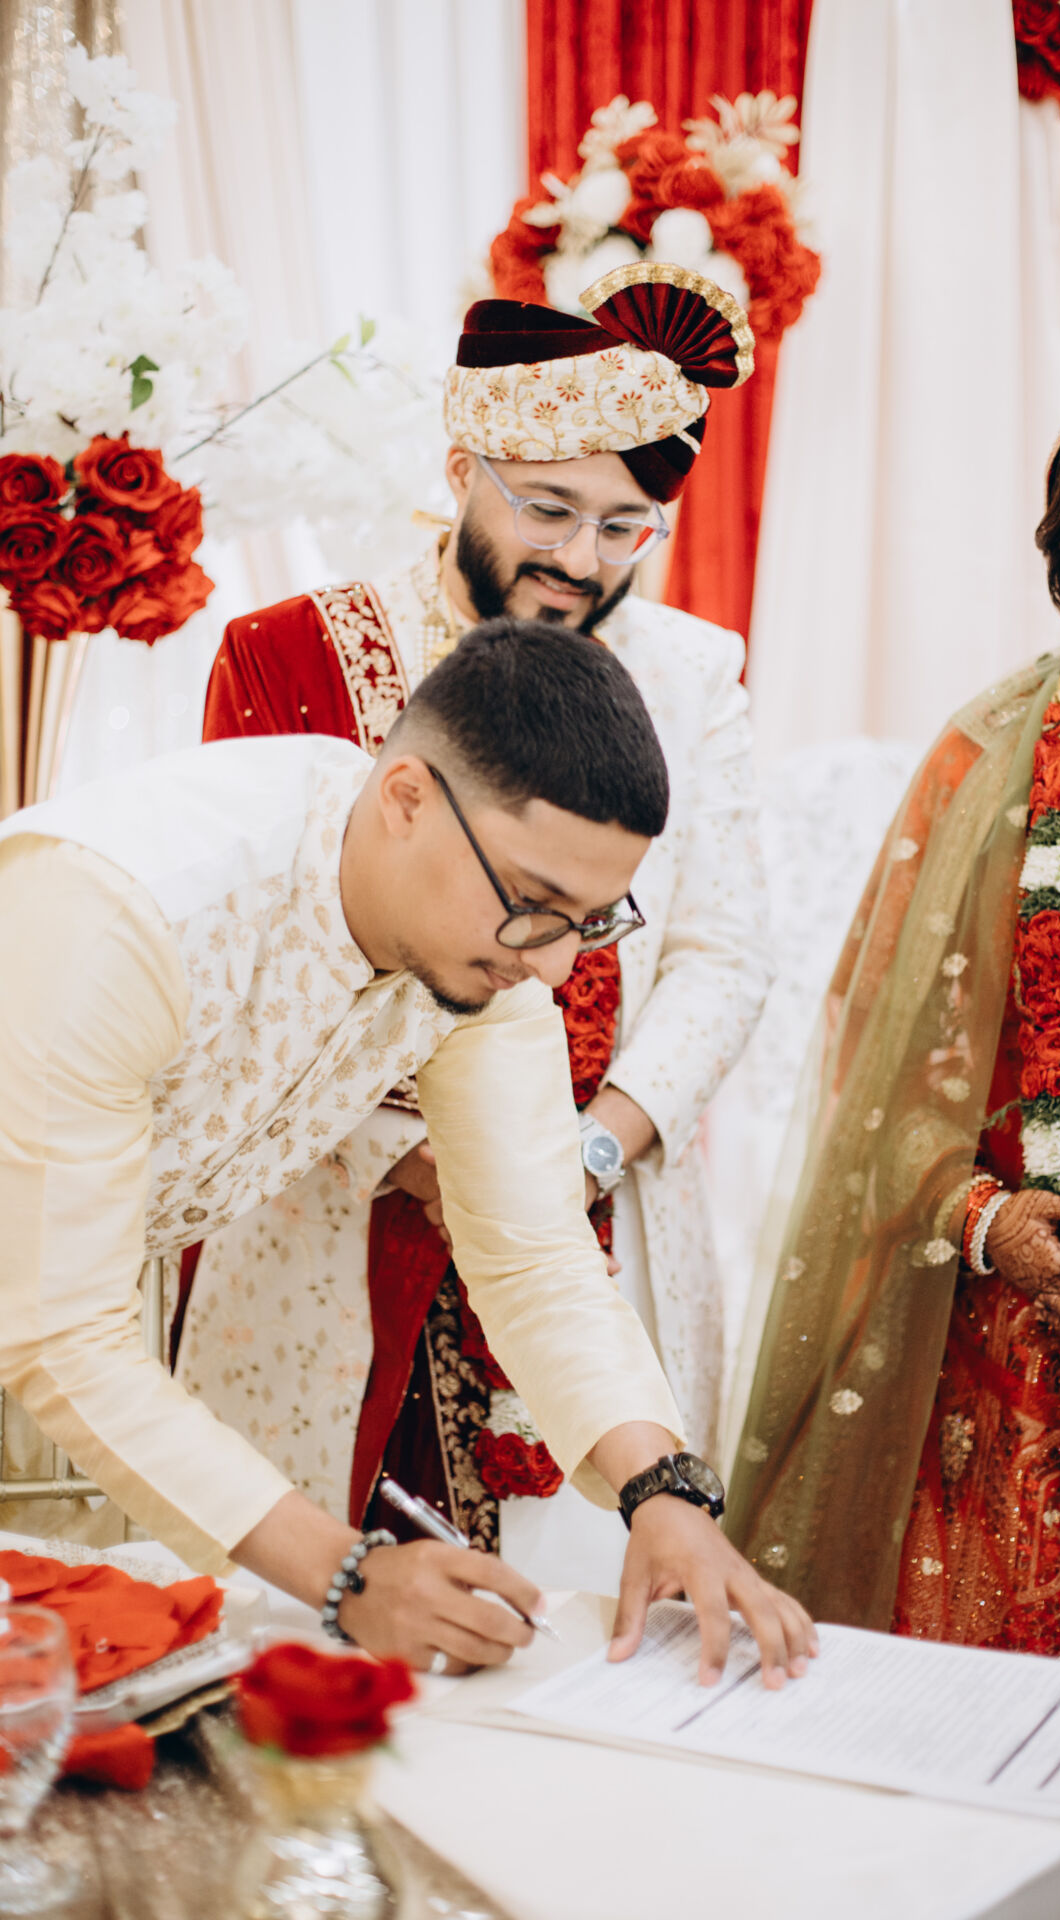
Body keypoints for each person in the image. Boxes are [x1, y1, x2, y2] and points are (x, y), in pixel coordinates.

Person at [0, 618, 815, 1686]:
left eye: (591, 919)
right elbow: (66, 1337)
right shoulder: (125, 912)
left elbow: (530, 1247)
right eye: (534, 905)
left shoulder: (480, 955)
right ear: (405, 799)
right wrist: (347, 1575)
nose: (557, 967)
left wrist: (662, 1493)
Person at [727, 380, 1060, 1880]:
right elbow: (884, 1084)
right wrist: (983, 1217)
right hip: (1016, 1338)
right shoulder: (983, 761)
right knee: (980, 1785)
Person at [177, 260, 771, 1594]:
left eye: (624, 526)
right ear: (461, 469)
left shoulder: (690, 673)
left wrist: (583, 1153)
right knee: (308, 1606)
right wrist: (423, 1157)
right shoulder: (296, 654)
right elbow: (252, 961)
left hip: (593, 1199)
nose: (580, 559)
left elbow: (724, 951)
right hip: (332, 1205)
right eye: (547, 508)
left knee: (584, 1604)